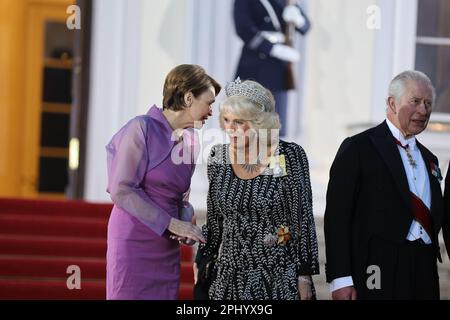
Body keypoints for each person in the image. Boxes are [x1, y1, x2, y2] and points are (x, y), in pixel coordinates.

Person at [324, 70, 450, 300]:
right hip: (376, 267)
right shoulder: (359, 148)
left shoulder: (430, 158)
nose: (423, 110)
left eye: (428, 103)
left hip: (423, 268)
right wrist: (340, 278)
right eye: (415, 101)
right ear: (392, 103)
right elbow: (337, 217)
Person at [193, 78, 319, 300]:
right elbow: (214, 221)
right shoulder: (219, 158)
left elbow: (301, 222)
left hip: (278, 278)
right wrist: (202, 262)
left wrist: (304, 276)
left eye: (239, 122)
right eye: (226, 120)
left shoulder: (288, 156)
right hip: (227, 280)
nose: (230, 129)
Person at [105, 64, 221, 299]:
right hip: (133, 240)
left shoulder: (191, 140)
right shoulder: (141, 128)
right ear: (189, 98)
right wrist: (171, 223)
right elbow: (121, 189)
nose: (211, 112)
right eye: (208, 103)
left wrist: (185, 222)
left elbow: (181, 197)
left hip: (166, 246)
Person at [233, 0, 311, 137]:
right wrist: (273, 49)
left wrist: (298, 19)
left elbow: (306, 27)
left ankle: (274, 157)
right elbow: (243, 29)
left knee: (276, 123)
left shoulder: (287, 1)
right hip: (255, 64)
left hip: (278, 68)